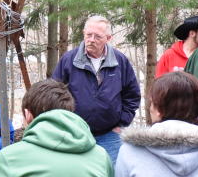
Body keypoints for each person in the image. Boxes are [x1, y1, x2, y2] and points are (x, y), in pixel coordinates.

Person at [51, 15, 141, 163]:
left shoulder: (120, 61)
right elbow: (54, 94)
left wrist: (122, 123)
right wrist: (64, 124)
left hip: (110, 135)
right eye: (88, 35)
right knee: (79, 173)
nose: (91, 40)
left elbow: (132, 95)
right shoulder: (69, 60)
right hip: (75, 133)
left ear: (108, 38)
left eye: (97, 36)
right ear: (83, 34)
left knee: (112, 174)